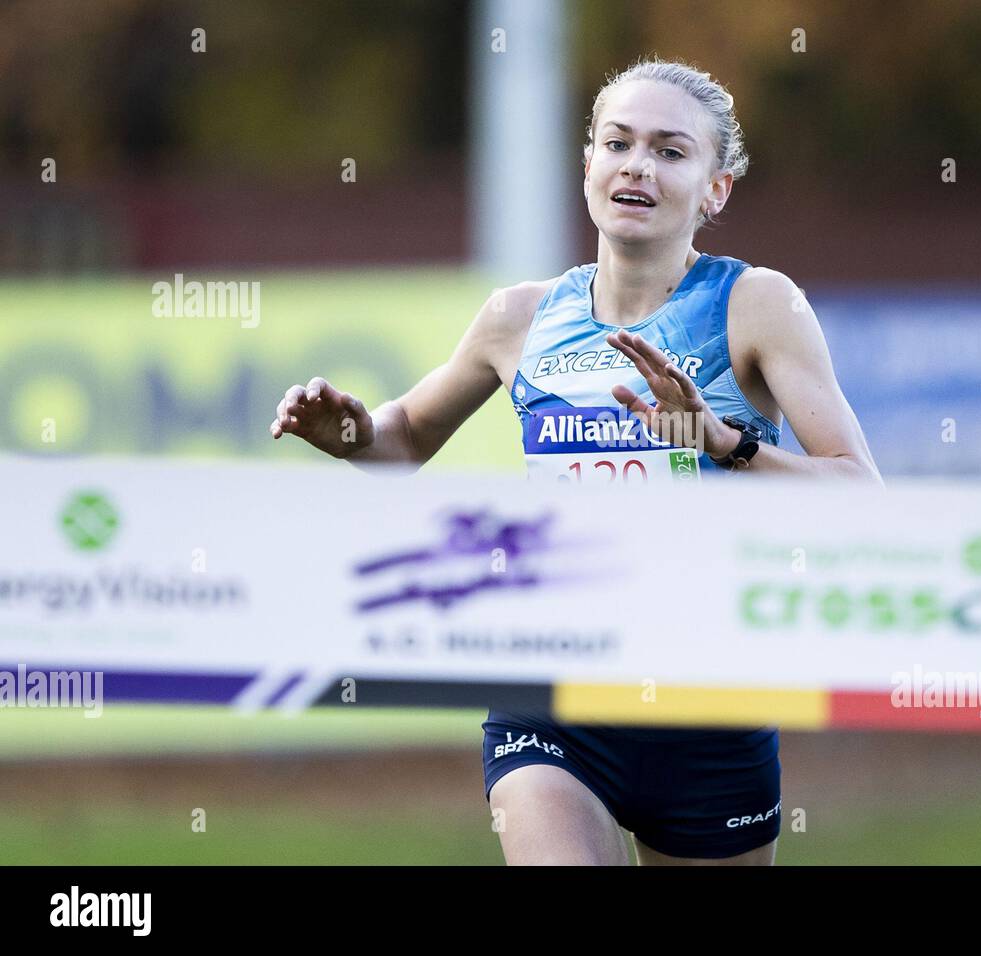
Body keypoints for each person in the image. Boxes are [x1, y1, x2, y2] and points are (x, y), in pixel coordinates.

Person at [270, 57, 881, 865]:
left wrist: (723, 444)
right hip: (554, 691)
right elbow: (405, 439)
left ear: (715, 189)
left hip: (710, 699)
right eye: (617, 143)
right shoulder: (517, 317)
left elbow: (859, 492)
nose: (637, 165)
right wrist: (346, 433)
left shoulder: (758, 304)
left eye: (670, 151)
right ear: (587, 164)